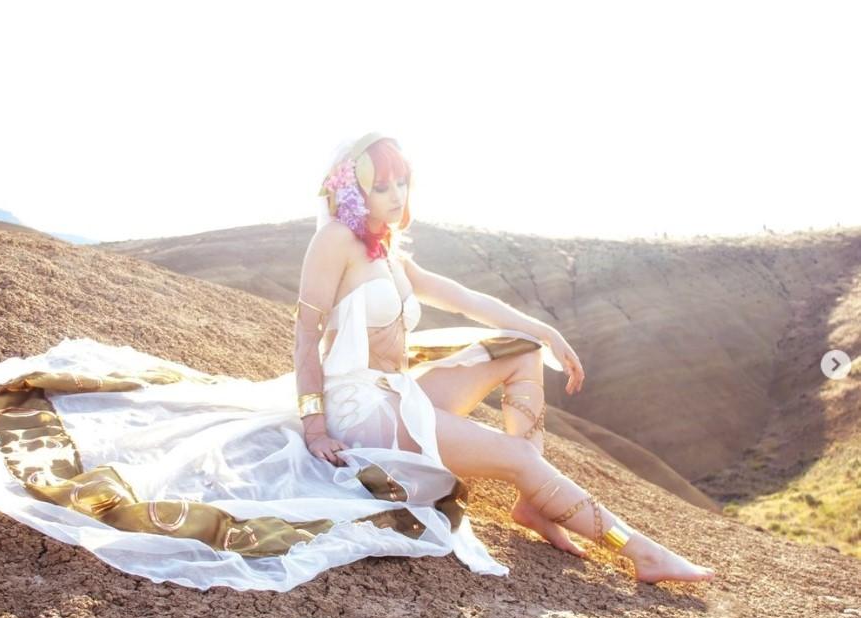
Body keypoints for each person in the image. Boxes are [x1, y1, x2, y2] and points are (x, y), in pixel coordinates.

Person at [296, 132, 715, 584]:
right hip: (360, 409)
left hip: (398, 393)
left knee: (523, 349)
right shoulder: (334, 240)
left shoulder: (389, 250)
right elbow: (305, 337)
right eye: (381, 187)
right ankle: (640, 552)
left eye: (402, 182)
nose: (397, 195)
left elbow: (464, 298)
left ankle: (533, 500)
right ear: (355, 191)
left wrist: (545, 332)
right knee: (518, 456)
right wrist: (315, 429)